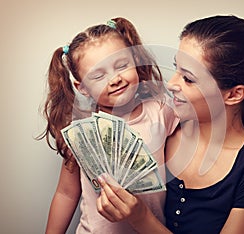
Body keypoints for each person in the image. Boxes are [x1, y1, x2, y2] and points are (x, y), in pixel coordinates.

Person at [96, 15, 244, 234]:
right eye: (176, 68)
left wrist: (141, 218)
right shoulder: (163, 131)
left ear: (234, 94)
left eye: (188, 78)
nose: (171, 84)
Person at [38, 17, 178, 233]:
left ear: (136, 61)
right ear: (82, 87)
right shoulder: (81, 134)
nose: (115, 79)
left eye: (122, 65)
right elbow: (66, 193)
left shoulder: (161, 111)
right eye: (98, 75)